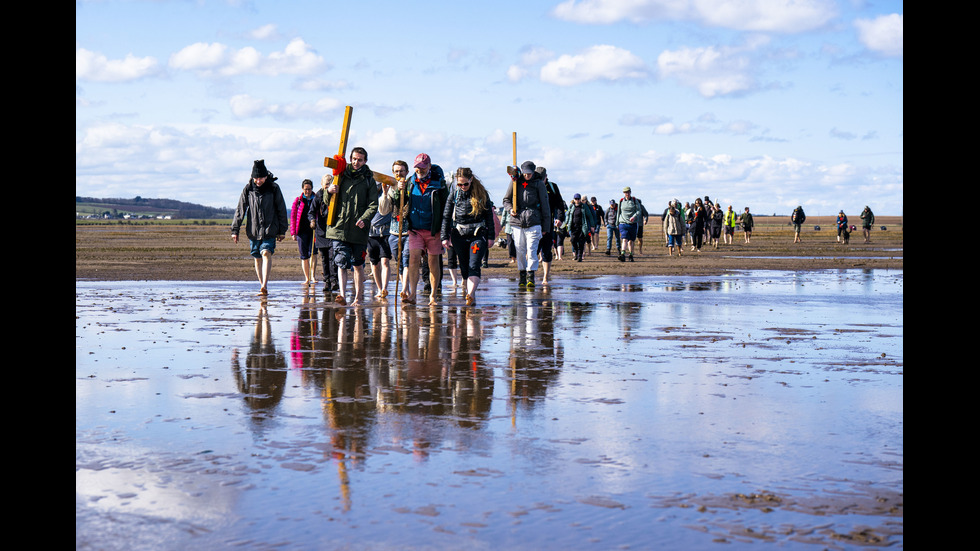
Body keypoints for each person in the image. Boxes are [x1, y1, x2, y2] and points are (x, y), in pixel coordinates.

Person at [319, 146, 380, 306]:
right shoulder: (340, 175)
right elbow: (327, 201)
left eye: (360, 160)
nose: (356, 162)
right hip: (338, 227)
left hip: (358, 230)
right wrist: (329, 191)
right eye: (354, 159)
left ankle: (358, 298)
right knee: (341, 261)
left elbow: (373, 204)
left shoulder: (368, 180)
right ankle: (342, 295)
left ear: (365, 161)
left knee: (358, 264)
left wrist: (365, 219)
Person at [389, 153, 448, 305]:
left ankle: (433, 295)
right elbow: (398, 204)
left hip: (433, 230)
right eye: (417, 167)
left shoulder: (439, 183)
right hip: (415, 229)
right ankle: (413, 294)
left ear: (429, 166)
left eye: (422, 167)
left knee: (433, 261)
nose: (419, 170)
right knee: (413, 259)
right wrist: (398, 191)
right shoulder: (409, 183)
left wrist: (445, 229)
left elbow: (446, 207)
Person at [231, 159, 289, 296]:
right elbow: (240, 209)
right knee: (257, 257)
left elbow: (281, 209)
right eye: (256, 178)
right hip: (253, 230)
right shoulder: (248, 189)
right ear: (252, 177)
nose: (258, 181)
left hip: (270, 229)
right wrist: (235, 230)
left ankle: (264, 285)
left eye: (261, 178)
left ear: (266, 176)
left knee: (266, 253)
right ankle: (261, 284)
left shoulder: (274, 188)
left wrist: (282, 230)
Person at [441, 168, 496, 306]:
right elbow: (446, 216)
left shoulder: (482, 194)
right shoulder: (454, 194)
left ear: (471, 180)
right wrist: (444, 237)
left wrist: (491, 236)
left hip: (478, 234)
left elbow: (489, 216)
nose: (463, 187)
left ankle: (471, 294)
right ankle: (470, 294)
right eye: (459, 184)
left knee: (474, 264)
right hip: (459, 235)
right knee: (464, 267)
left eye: (465, 184)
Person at [503, 161, 551, 287]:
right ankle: (522, 275)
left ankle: (531, 276)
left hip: (534, 222)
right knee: (519, 249)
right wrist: (510, 209)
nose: (527, 176)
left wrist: (546, 226)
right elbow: (506, 200)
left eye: (529, 174)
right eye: (525, 173)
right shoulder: (515, 182)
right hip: (517, 222)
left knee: (532, 250)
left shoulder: (539, 184)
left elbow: (545, 206)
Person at [533, 166, 564, 285]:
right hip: (533, 224)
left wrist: (560, 218)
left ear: (546, 177)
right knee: (532, 251)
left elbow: (560, 204)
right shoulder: (532, 185)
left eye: (542, 179)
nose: (540, 181)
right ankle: (531, 276)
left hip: (548, 224)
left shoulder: (552, 187)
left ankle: (545, 277)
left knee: (547, 251)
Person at [367, 177, 395, 299]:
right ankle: (379, 289)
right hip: (371, 234)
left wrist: (384, 191)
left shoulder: (388, 195)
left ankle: (384, 288)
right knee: (375, 264)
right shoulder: (367, 197)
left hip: (385, 233)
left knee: (385, 261)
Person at [289, 179, 317, 286]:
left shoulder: (316, 199)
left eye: (309, 189)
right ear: (302, 189)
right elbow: (293, 217)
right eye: (306, 189)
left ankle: (313, 276)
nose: (307, 191)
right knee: (304, 255)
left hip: (313, 231)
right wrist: (293, 233)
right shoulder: (298, 201)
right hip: (301, 231)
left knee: (313, 253)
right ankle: (307, 278)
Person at [562, 193, 597, 262]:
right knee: (573, 240)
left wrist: (592, 226)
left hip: (582, 227)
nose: (577, 200)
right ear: (574, 199)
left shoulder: (584, 207)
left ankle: (580, 256)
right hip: (573, 227)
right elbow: (568, 215)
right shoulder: (571, 206)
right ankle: (576, 254)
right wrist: (565, 224)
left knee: (581, 242)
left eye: (578, 199)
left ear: (580, 199)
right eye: (576, 199)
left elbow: (590, 215)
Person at [616, 187, 646, 262]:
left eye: (628, 192)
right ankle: (622, 254)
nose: (627, 194)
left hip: (633, 224)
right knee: (625, 239)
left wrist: (634, 217)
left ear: (630, 192)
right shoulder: (621, 201)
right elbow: (618, 212)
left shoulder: (635, 201)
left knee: (631, 241)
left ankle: (631, 255)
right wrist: (617, 224)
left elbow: (639, 211)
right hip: (623, 223)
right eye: (625, 192)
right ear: (624, 193)